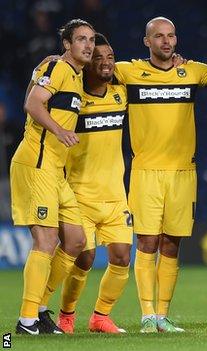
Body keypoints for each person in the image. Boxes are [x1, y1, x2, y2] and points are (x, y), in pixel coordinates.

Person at [113, 17, 207, 333]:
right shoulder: (128, 71)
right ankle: (147, 316)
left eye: (171, 35)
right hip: (145, 171)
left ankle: (163, 316)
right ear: (147, 41)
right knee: (146, 242)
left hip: (183, 172)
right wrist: (55, 60)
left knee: (171, 245)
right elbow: (92, 68)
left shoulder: (194, 71)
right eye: (158, 36)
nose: (166, 41)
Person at [11, 19, 94, 335]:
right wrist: (59, 130)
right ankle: (27, 320)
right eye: (81, 39)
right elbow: (32, 103)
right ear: (67, 45)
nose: (87, 45)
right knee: (45, 241)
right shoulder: (57, 67)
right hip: (36, 163)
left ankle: (40, 307)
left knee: (75, 241)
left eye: (90, 39)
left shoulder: (75, 76)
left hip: (56, 171)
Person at [48, 33, 132, 334]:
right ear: (86, 62)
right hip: (79, 194)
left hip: (115, 196)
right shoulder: (73, 99)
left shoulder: (121, 93)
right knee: (83, 259)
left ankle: (100, 317)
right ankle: (66, 316)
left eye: (110, 57)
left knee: (122, 257)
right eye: (98, 57)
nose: (106, 62)